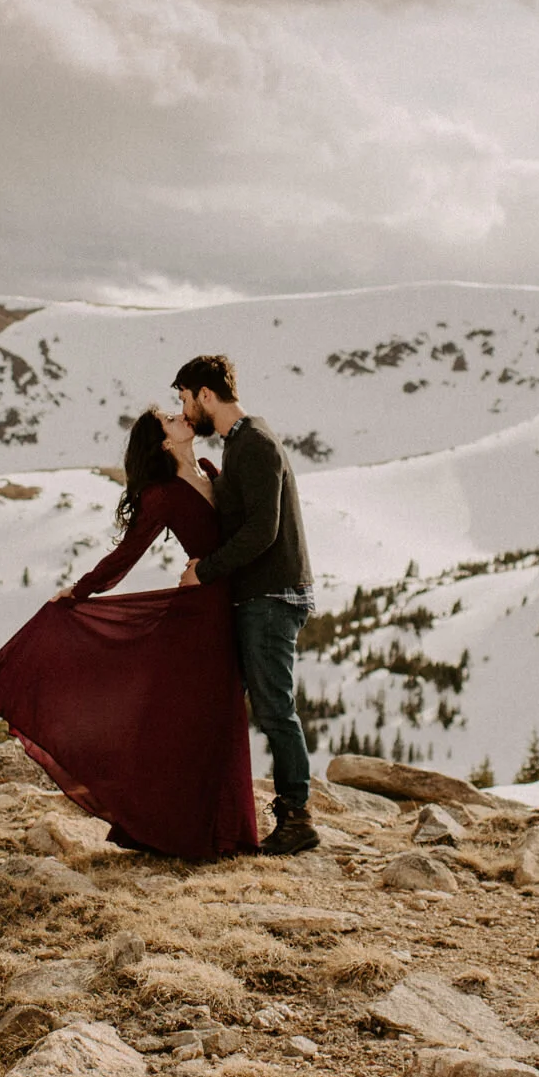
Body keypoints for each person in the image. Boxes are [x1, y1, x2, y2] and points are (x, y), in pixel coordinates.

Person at [0, 408, 259, 859]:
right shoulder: (163, 494)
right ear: (163, 443)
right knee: (205, 717)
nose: (182, 417)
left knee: (221, 717)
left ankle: (221, 830)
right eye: (171, 420)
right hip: (201, 615)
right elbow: (126, 554)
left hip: (225, 605)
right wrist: (79, 592)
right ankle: (196, 834)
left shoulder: (211, 472)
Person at [172, 353, 320, 856]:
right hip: (263, 594)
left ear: (206, 395)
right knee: (267, 708)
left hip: (273, 595)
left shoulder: (254, 444)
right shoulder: (243, 444)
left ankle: (297, 817)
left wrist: (205, 571)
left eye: (185, 399)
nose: (185, 409)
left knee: (277, 710)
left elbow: (263, 530)